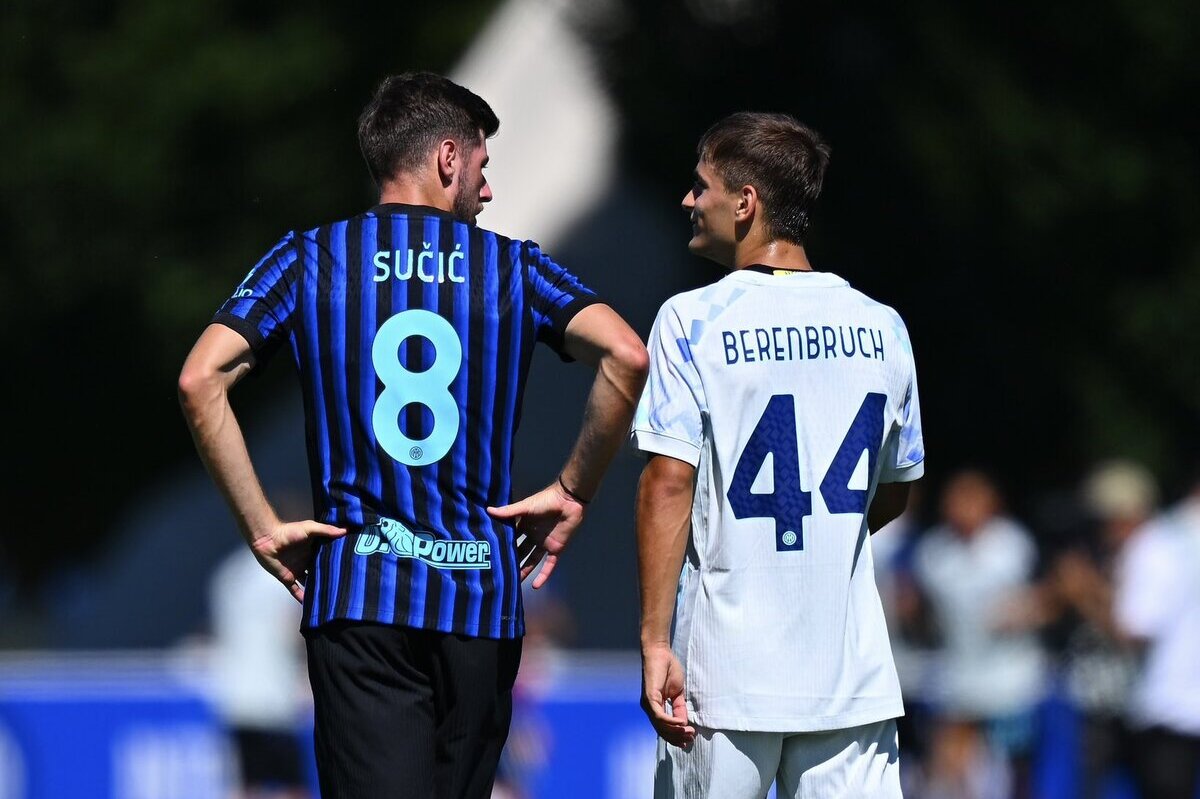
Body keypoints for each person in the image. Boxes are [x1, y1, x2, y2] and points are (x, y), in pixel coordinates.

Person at [178, 72, 648, 799]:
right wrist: (570, 489)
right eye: (483, 170)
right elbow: (626, 354)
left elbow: (199, 379)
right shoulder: (511, 266)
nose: (486, 193)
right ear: (449, 160)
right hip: (479, 601)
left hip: (359, 591)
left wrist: (261, 525)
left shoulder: (311, 258)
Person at [632, 112, 924, 798]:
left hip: (724, 678)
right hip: (849, 678)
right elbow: (894, 491)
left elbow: (667, 484)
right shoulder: (884, 326)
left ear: (745, 202)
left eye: (700, 184)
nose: (688, 200)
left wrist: (652, 640)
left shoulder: (690, 320)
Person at [912, 470, 1045, 799]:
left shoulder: (1012, 545)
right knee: (952, 770)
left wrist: (1022, 612)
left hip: (1010, 680)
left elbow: (1040, 601)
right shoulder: (934, 552)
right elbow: (928, 616)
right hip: (959, 676)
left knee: (1012, 771)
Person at [1114, 471, 1200, 799]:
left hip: (1170, 707)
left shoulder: (1160, 539)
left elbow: (1136, 627)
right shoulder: (1163, 539)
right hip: (1174, 710)